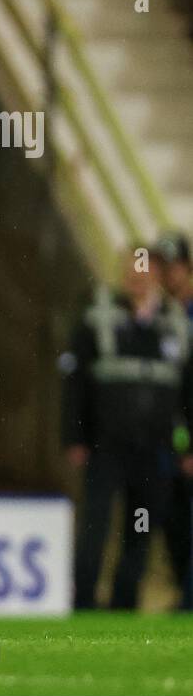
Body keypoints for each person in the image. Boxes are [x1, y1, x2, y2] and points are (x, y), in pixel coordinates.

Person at [63, 250, 193, 610]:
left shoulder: (175, 324)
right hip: (107, 443)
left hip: (155, 447)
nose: (137, 277)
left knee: (141, 530)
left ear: (156, 275)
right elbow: (76, 383)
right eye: (132, 270)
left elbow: (187, 391)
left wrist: (188, 447)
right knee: (96, 526)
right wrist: (74, 436)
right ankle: (85, 601)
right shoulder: (98, 317)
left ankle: (124, 601)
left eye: (145, 269)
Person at [153, 230, 193, 609]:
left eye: (173, 266)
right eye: (161, 266)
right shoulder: (159, 317)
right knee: (171, 524)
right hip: (166, 441)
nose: (166, 274)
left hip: (187, 438)